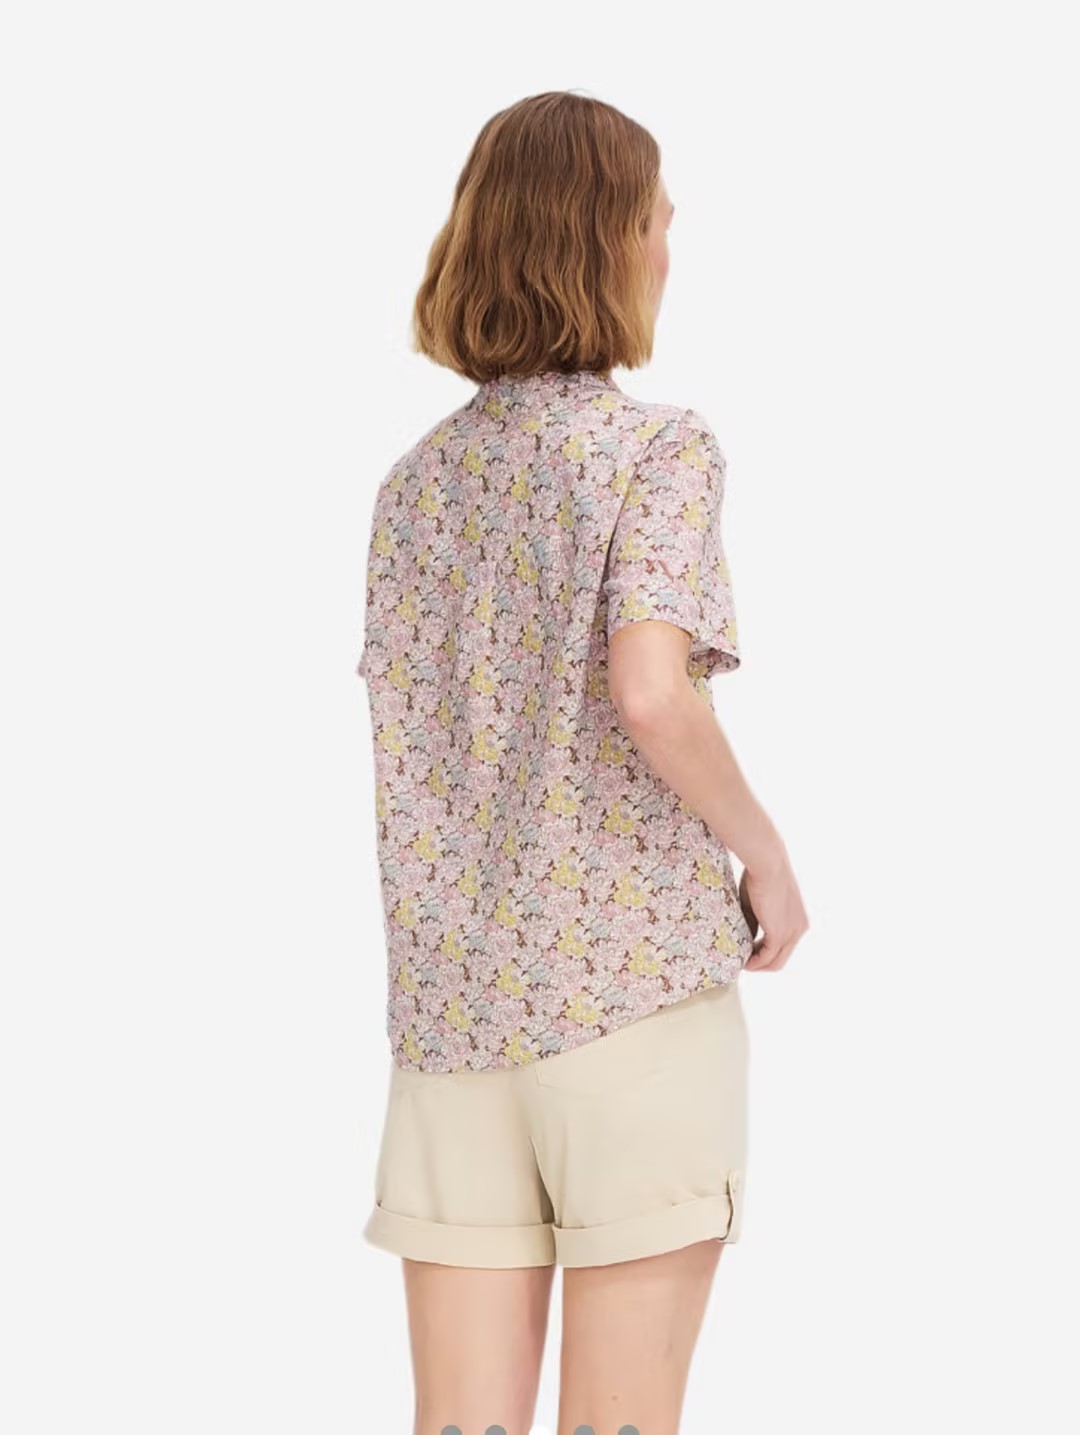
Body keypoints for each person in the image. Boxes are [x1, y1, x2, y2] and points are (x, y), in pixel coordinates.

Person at [355, 89, 809, 1435]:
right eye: (656, 218)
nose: (669, 244)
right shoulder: (656, 453)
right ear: (610, 242)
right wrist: (766, 858)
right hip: (630, 998)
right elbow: (652, 694)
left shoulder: (416, 486)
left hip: (453, 1020)